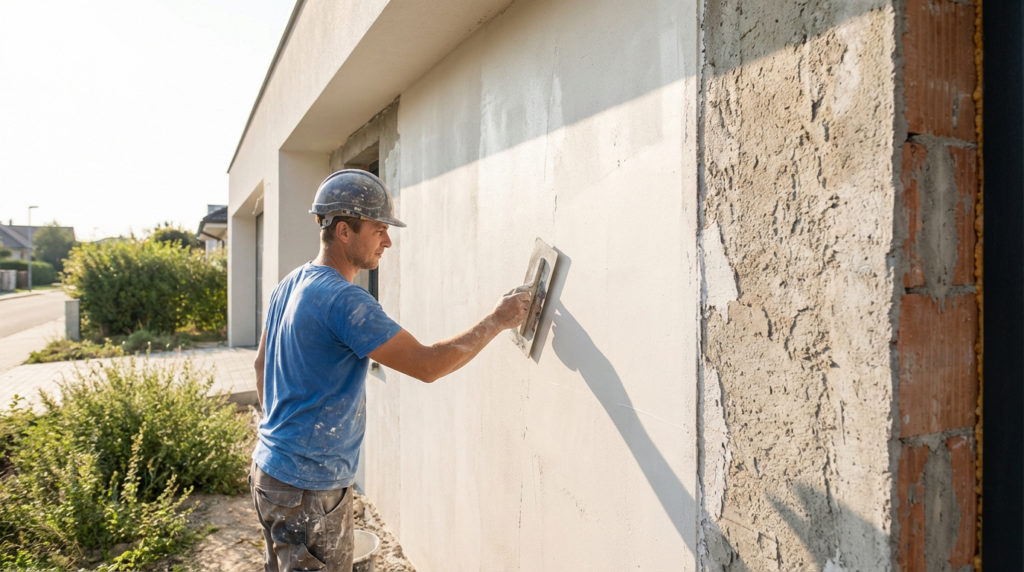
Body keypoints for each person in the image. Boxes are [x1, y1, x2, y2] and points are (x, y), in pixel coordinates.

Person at [250, 169, 532, 571]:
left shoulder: (290, 284)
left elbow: (260, 365)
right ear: (345, 230)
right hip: (308, 488)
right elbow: (427, 365)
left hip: (270, 474)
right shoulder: (345, 301)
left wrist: (282, 436)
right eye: (379, 228)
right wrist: (498, 320)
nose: (388, 240)